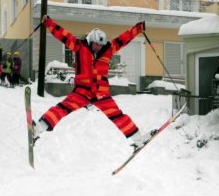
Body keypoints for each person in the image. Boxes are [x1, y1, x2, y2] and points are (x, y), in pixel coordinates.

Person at [33, 15, 145, 147]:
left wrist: (138, 29)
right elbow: (63, 35)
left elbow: (123, 39)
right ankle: (37, 129)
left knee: (117, 115)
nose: (98, 47)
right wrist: (48, 23)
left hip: (101, 93)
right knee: (62, 108)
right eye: (96, 44)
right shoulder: (79, 47)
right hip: (82, 91)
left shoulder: (108, 50)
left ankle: (138, 140)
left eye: (100, 45)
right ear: (91, 40)